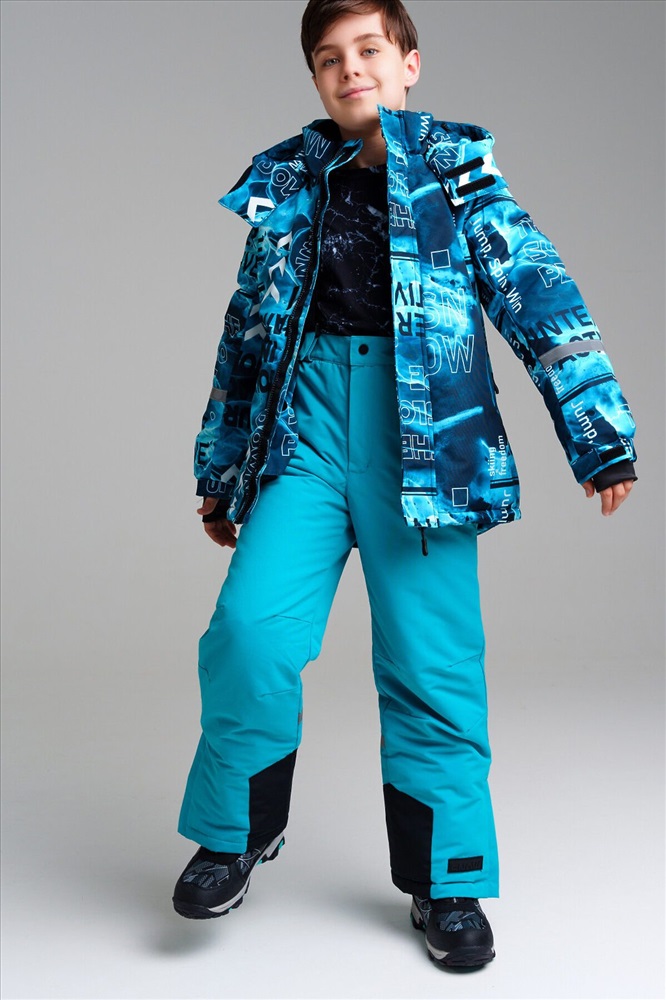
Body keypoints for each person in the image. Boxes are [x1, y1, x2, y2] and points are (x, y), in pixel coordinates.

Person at [172, 0, 637, 972]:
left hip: (426, 445)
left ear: (410, 62)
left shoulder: (459, 179)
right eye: (329, 58)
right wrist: (222, 467)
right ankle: (235, 832)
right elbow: (246, 333)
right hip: (305, 433)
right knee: (249, 630)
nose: (352, 70)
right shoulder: (290, 185)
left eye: (370, 50)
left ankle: (448, 878)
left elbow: (540, 297)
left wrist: (599, 437)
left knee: (432, 666)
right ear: (315, 78)